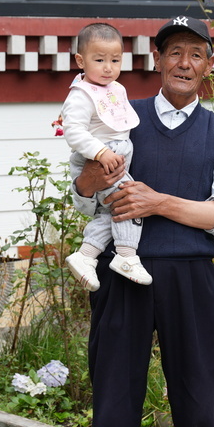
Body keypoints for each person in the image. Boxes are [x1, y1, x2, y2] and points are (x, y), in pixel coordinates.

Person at [71, 16, 214, 427]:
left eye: (195, 54)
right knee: (114, 400)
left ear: (210, 64)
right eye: (174, 53)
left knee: (200, 402)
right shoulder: (118, 115)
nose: (184, 63)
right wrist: (93, 178)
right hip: (120, 273)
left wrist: (158, 202)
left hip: (191, 277)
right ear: (157, 60)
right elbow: (82, 199)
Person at [61, 23, 152, 291]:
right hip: (98, 159)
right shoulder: (81, 95)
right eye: (99, 60)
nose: (108, 67)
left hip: (114, 156)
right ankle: (126, 255)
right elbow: (74, 132)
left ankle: (86, 255)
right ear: (81, 60)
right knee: (128, 202)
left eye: (114, 60)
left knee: (109, 211)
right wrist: (100, 152)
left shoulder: (116, 89)